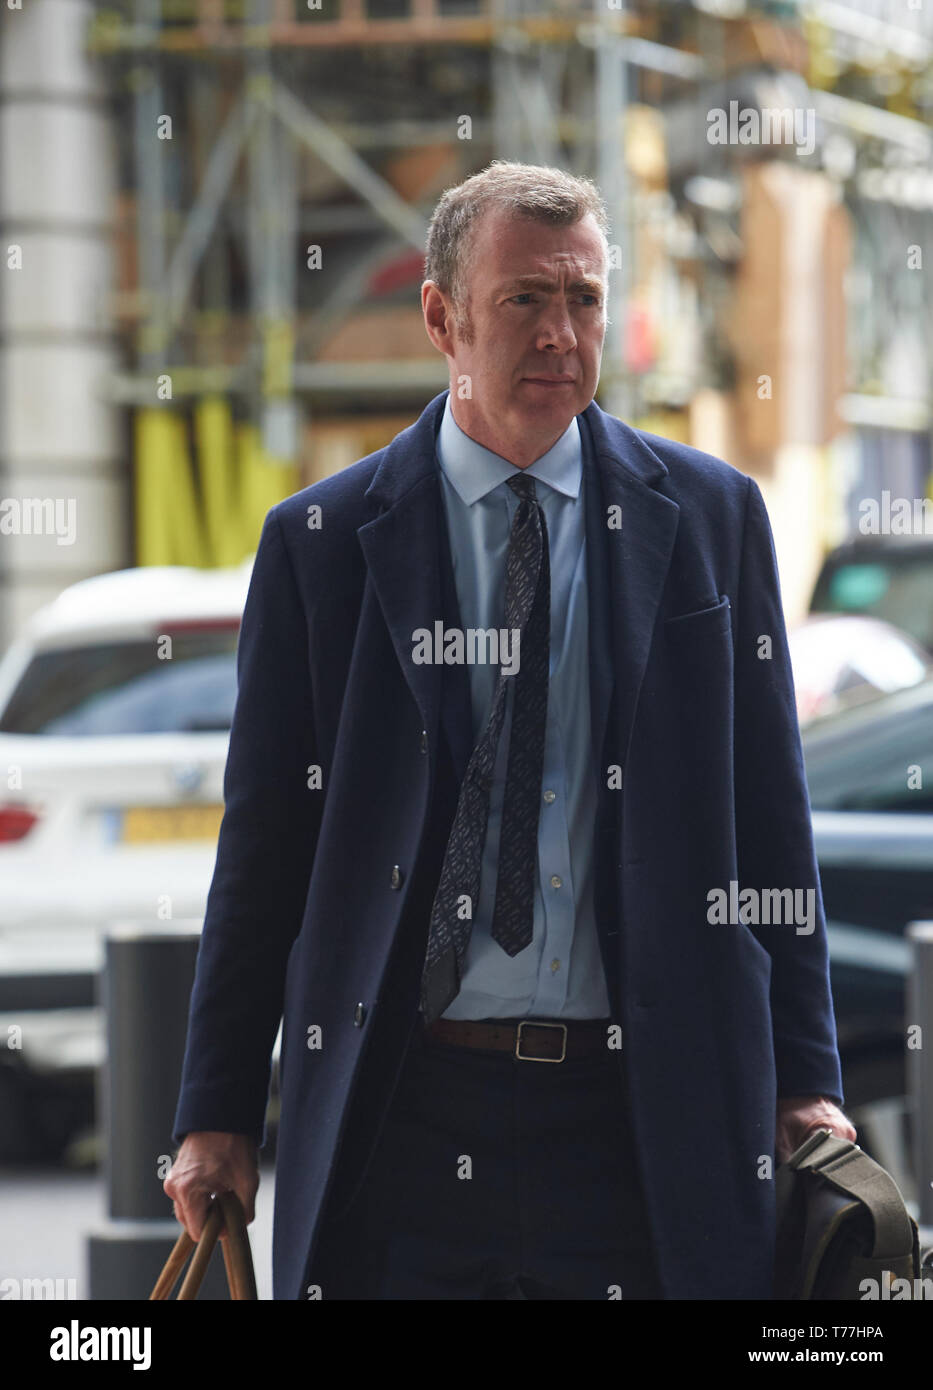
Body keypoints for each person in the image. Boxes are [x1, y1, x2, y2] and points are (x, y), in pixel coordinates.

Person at [165, 160, 855, 1300]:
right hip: (406, 1114)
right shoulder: (325, 542)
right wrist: (215, 1111)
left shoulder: (712, 518)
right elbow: (265, 851)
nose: (560, 334)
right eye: (524, 299)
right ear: (443, 317)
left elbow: (772, 822)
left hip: (641, 1114)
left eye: (583, 300)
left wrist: (805, 1078)